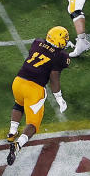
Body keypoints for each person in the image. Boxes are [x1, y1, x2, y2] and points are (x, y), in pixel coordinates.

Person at [6, 26, 71, 166]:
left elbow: (44, 52)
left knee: (19, 103)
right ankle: (18, 144)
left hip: (18, 82)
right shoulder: (61, 56)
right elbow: (54, 78)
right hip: (34, 89)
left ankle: (11, 133)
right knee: (33, 124)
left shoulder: (37, 42)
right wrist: (59, 98)